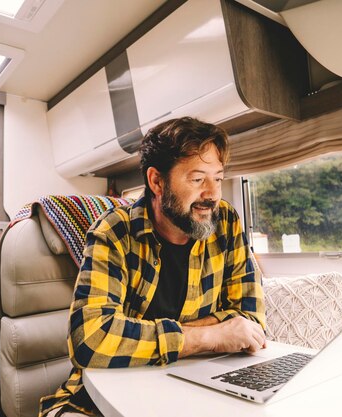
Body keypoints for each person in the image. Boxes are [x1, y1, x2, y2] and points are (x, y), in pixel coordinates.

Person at [41, 117, 266, 417]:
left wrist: (136, 336)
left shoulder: (226, 222)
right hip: (100, 395)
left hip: (195, 388)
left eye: (218, 178)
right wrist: (209, 336)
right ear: (157, 182)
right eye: (198, 179)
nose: (212, 194)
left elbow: (250, 322)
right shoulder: (112, 233)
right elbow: (91, 338)